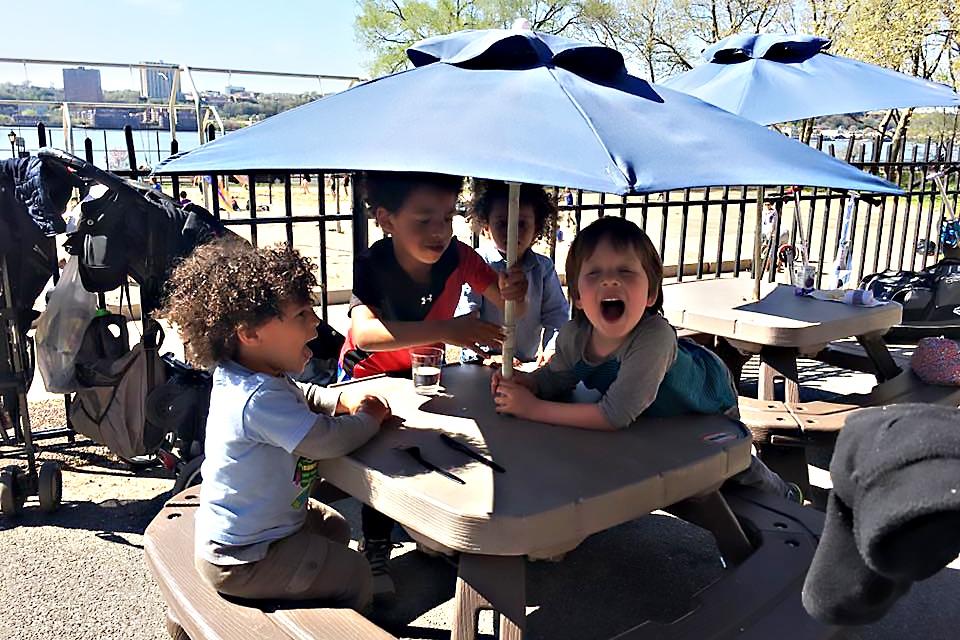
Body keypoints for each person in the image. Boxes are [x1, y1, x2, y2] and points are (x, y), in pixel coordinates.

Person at [159, 238, 393, 613]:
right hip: (245, 559)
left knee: (335, 529)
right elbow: (324, 441)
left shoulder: (250, 375)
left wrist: (338, 399)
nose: (316, 323)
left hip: (254, 533)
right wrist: (370, 418)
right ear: (249, 333)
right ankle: (343, 622)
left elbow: (300, 394)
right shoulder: (257, 399)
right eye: (301, 315)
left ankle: (308, 597)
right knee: (356, 573)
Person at [491, 216, 798, 500]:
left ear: (651, 294)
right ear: (579, 298)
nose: (610, 281)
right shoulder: (574, 335)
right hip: (651, 414)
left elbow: (614, 415)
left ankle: (783, 492)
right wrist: (527, 383)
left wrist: (532, 409)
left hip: (703, 402)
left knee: (732, 462)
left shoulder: (654, 337)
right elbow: (557, 379)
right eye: (594, 272)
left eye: (625, 271)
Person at [338, 170, 528, 598]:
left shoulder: (459, 257)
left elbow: (508, 299)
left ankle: (431, 531)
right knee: (378, 463)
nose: (440, 230)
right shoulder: (374, 264)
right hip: (365, 376)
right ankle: (377, 546)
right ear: (386, 220)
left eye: (448, 216)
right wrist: (449, 329)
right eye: (424, 220)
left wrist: (516, 288)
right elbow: (365, 334)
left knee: (437, 450)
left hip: (418, 373)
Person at [456, 180, 568, 366]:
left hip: (525, 363)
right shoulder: (479, 263)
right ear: (486, 227)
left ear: (536, 230)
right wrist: (487, 355)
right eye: (502, 223)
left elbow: (556, 315)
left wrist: (552, 349)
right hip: (481, 362)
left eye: (522, 224)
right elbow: (467, 317)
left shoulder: (543, 269)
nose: (512, 231)